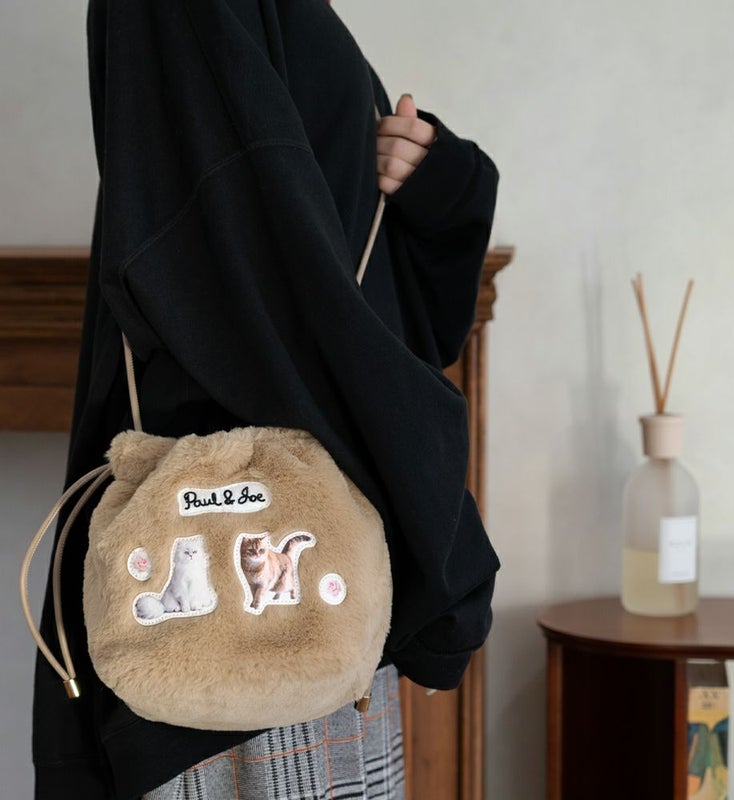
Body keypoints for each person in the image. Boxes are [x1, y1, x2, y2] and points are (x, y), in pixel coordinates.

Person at [31, 0, 501, 798]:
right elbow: (246, 291)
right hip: (249, 647)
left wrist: (442, 187)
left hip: (302, 602)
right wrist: (440, 545)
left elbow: (344, 290)